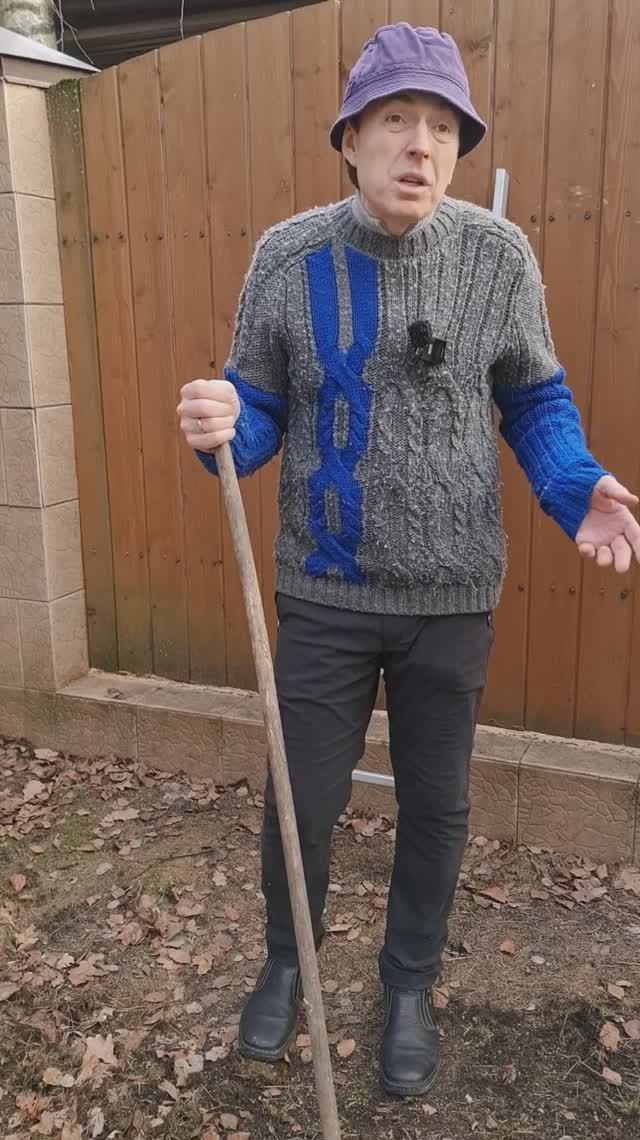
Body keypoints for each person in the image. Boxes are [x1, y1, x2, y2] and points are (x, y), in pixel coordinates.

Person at [177, 24, 640, 1097]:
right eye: (396, 121)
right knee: (303, 797)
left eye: (441, 127)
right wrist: (222, 425)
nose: (420, 146)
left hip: (451, 595)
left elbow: (534, 399)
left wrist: (574, 484)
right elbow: (258, 409)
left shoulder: (497, 258)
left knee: (436, 806)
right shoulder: (288, 258)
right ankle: (286, 962)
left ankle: (407, 989)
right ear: (351, 138)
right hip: (325, 588)